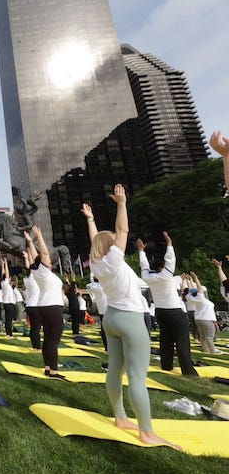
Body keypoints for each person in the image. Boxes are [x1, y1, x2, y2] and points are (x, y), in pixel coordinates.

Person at [83, 185, 180, 449]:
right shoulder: (113, 261)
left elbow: (96, 241)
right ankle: (147, 432)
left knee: (115, 370)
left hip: (111, 319)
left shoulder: (98, 264)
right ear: (110, 246)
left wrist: (91, 220)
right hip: (130, 319)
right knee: (137, 377)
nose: (119, 240)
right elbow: (123, 230)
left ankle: (121, 417)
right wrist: (122, 204)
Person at [137, 233, 198, 375]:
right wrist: (169, 245)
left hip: (160, 311)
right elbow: (170, 260)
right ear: (160, 268)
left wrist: (141, 251)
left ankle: (166, 365)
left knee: (165, 339)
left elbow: (144, 265)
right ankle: (188, 370)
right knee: (182, 340)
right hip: (174, 310)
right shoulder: (165, 276)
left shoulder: (147, 277)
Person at [26, 227, 65, 378]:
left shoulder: (37, 272)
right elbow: (44, 254)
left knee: (48, 339)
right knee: (53, 340)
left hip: (44, 307)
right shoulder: (42, 271)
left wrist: (30, 242)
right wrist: (40, 237)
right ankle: (54, 370)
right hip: (52, 308)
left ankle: (48, 367)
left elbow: (36, 257)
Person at [185, 272, 218, 355]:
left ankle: (205, 349)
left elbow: (190, 290)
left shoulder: (190, 297)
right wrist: (195, 278)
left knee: (203, 336)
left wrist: (188, 281)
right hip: (207, 319)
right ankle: (212, 350)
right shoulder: (201, 298)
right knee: (209, 336)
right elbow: (199, 288)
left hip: (198, 319)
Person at [21, 247, 42, 353]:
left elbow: (29, 267)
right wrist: (29, 255)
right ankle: (37, 347)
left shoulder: (26, 280)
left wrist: (26, 257)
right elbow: (31, 266)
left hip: (29, 306)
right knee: (36, 328)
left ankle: (35, 346)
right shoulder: (34, 278)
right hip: (35, 306)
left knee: (33, 327)